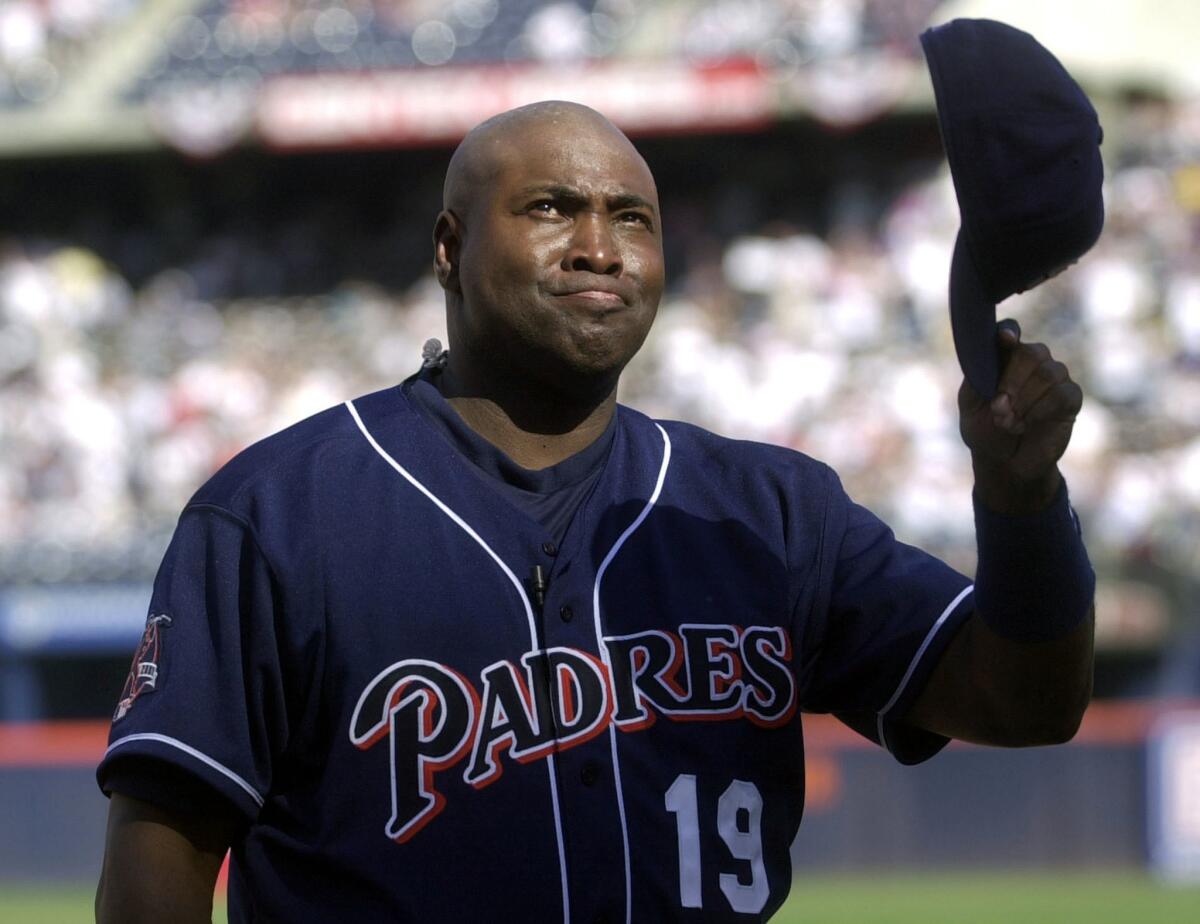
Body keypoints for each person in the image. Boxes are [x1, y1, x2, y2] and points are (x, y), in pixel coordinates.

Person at [95, 101, 1095, 923]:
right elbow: (162, 857)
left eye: (633, 218)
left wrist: (1022, 499)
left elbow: (1024, 702)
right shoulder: (277, 513)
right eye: (551, 208)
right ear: (449, 247)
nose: (598, 248)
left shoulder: (770, 512)